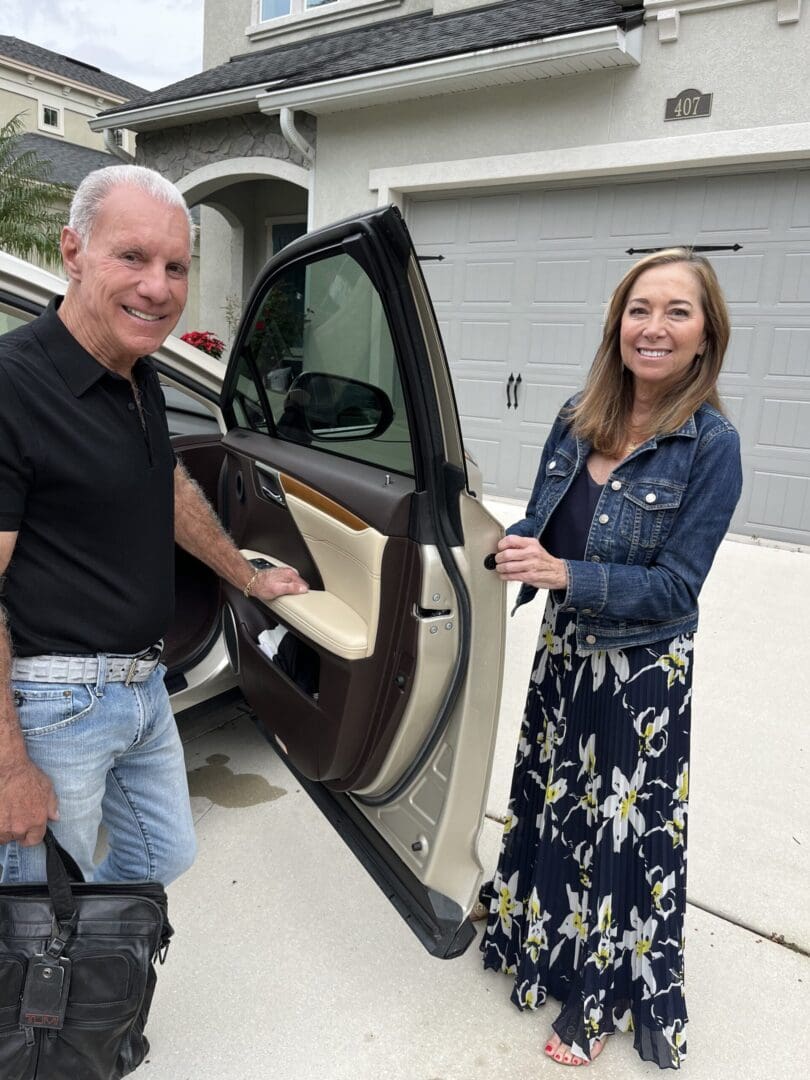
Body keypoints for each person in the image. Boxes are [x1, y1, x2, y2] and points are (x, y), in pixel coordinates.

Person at [0, 164, 308, 889]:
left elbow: (164, 484)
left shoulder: (138, 370)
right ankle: (54, 994)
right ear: (74, 252)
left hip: (143, 682)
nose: (158, 287)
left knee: (161, 856)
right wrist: (10, 763)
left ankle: (89, 975)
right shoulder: (13, 385)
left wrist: (246, 575)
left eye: (176, 266)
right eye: (132, 257)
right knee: (37, 909)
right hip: (54, 702)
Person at [479, 248, 742, 1071]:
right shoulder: (576, 414)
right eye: (639, 309)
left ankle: (599, 996)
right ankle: (539, 948)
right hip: (564, 656)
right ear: (617, 324)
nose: (653, 327)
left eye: (677, 311)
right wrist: (507, 549)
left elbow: (677, 589)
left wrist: (566, 575)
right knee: (556, 806)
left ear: (705, 336)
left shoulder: (712, 446)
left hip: (639, 677)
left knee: (622, 837)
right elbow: (545, 520)